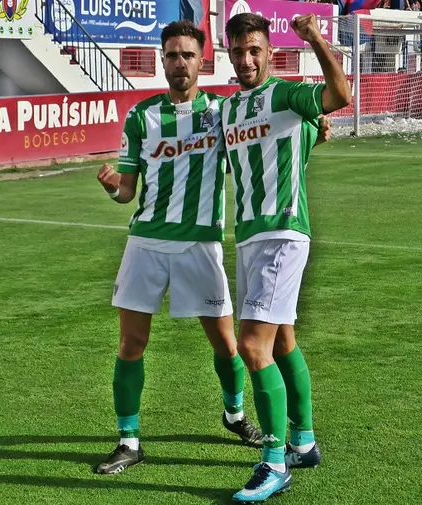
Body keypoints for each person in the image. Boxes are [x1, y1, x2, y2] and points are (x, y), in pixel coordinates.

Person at [93, 19, 333, 477]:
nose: (179, 63)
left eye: (187, 55)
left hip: (201, 244)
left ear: (201, 62)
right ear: (162, 60)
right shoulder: (141, 116)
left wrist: (314, 128)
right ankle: (129, 440)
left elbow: (264, 144)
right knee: (130, 343)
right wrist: (111, 187)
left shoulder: (222, 113)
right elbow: (127, 192)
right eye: (171, 55)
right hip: (146, 242)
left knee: (229, 345)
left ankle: (235, 414)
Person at [221, 12, 351, 502]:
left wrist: (315, 37)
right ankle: (304, 441)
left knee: (252, 347)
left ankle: (274, 462)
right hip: (249, 237)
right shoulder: (227, 110)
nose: (247, 59)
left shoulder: (288, 95)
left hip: (283, 234)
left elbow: (339, 96)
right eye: (238, 51)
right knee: (281, 343)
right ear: (229, 53)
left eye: (255, 49)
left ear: (270, 52)